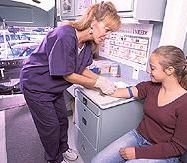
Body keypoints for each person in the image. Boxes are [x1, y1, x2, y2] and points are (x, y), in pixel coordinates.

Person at [19, 1, 121, 163]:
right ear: (93, 21)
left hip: (54, 87)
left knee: (62, 121)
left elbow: (81, 68)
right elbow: (67, 75)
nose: (108, 36)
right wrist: (98, 84)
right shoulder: (65, 35)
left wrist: (101, 79)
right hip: (36, 84)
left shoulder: (88, 43)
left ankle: (64, 148)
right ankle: (54, 159)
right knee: (50, 127)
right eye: (107, 30)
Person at [91, 45, 187, 163]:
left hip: (165, 153)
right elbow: (119, 92)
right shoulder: (150, 86)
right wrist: (96, 85)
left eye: (152, 68)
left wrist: (137, 153)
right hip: (139, 136)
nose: (148, 71)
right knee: (97, 161)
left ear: (169, 70)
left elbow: (177, 148)